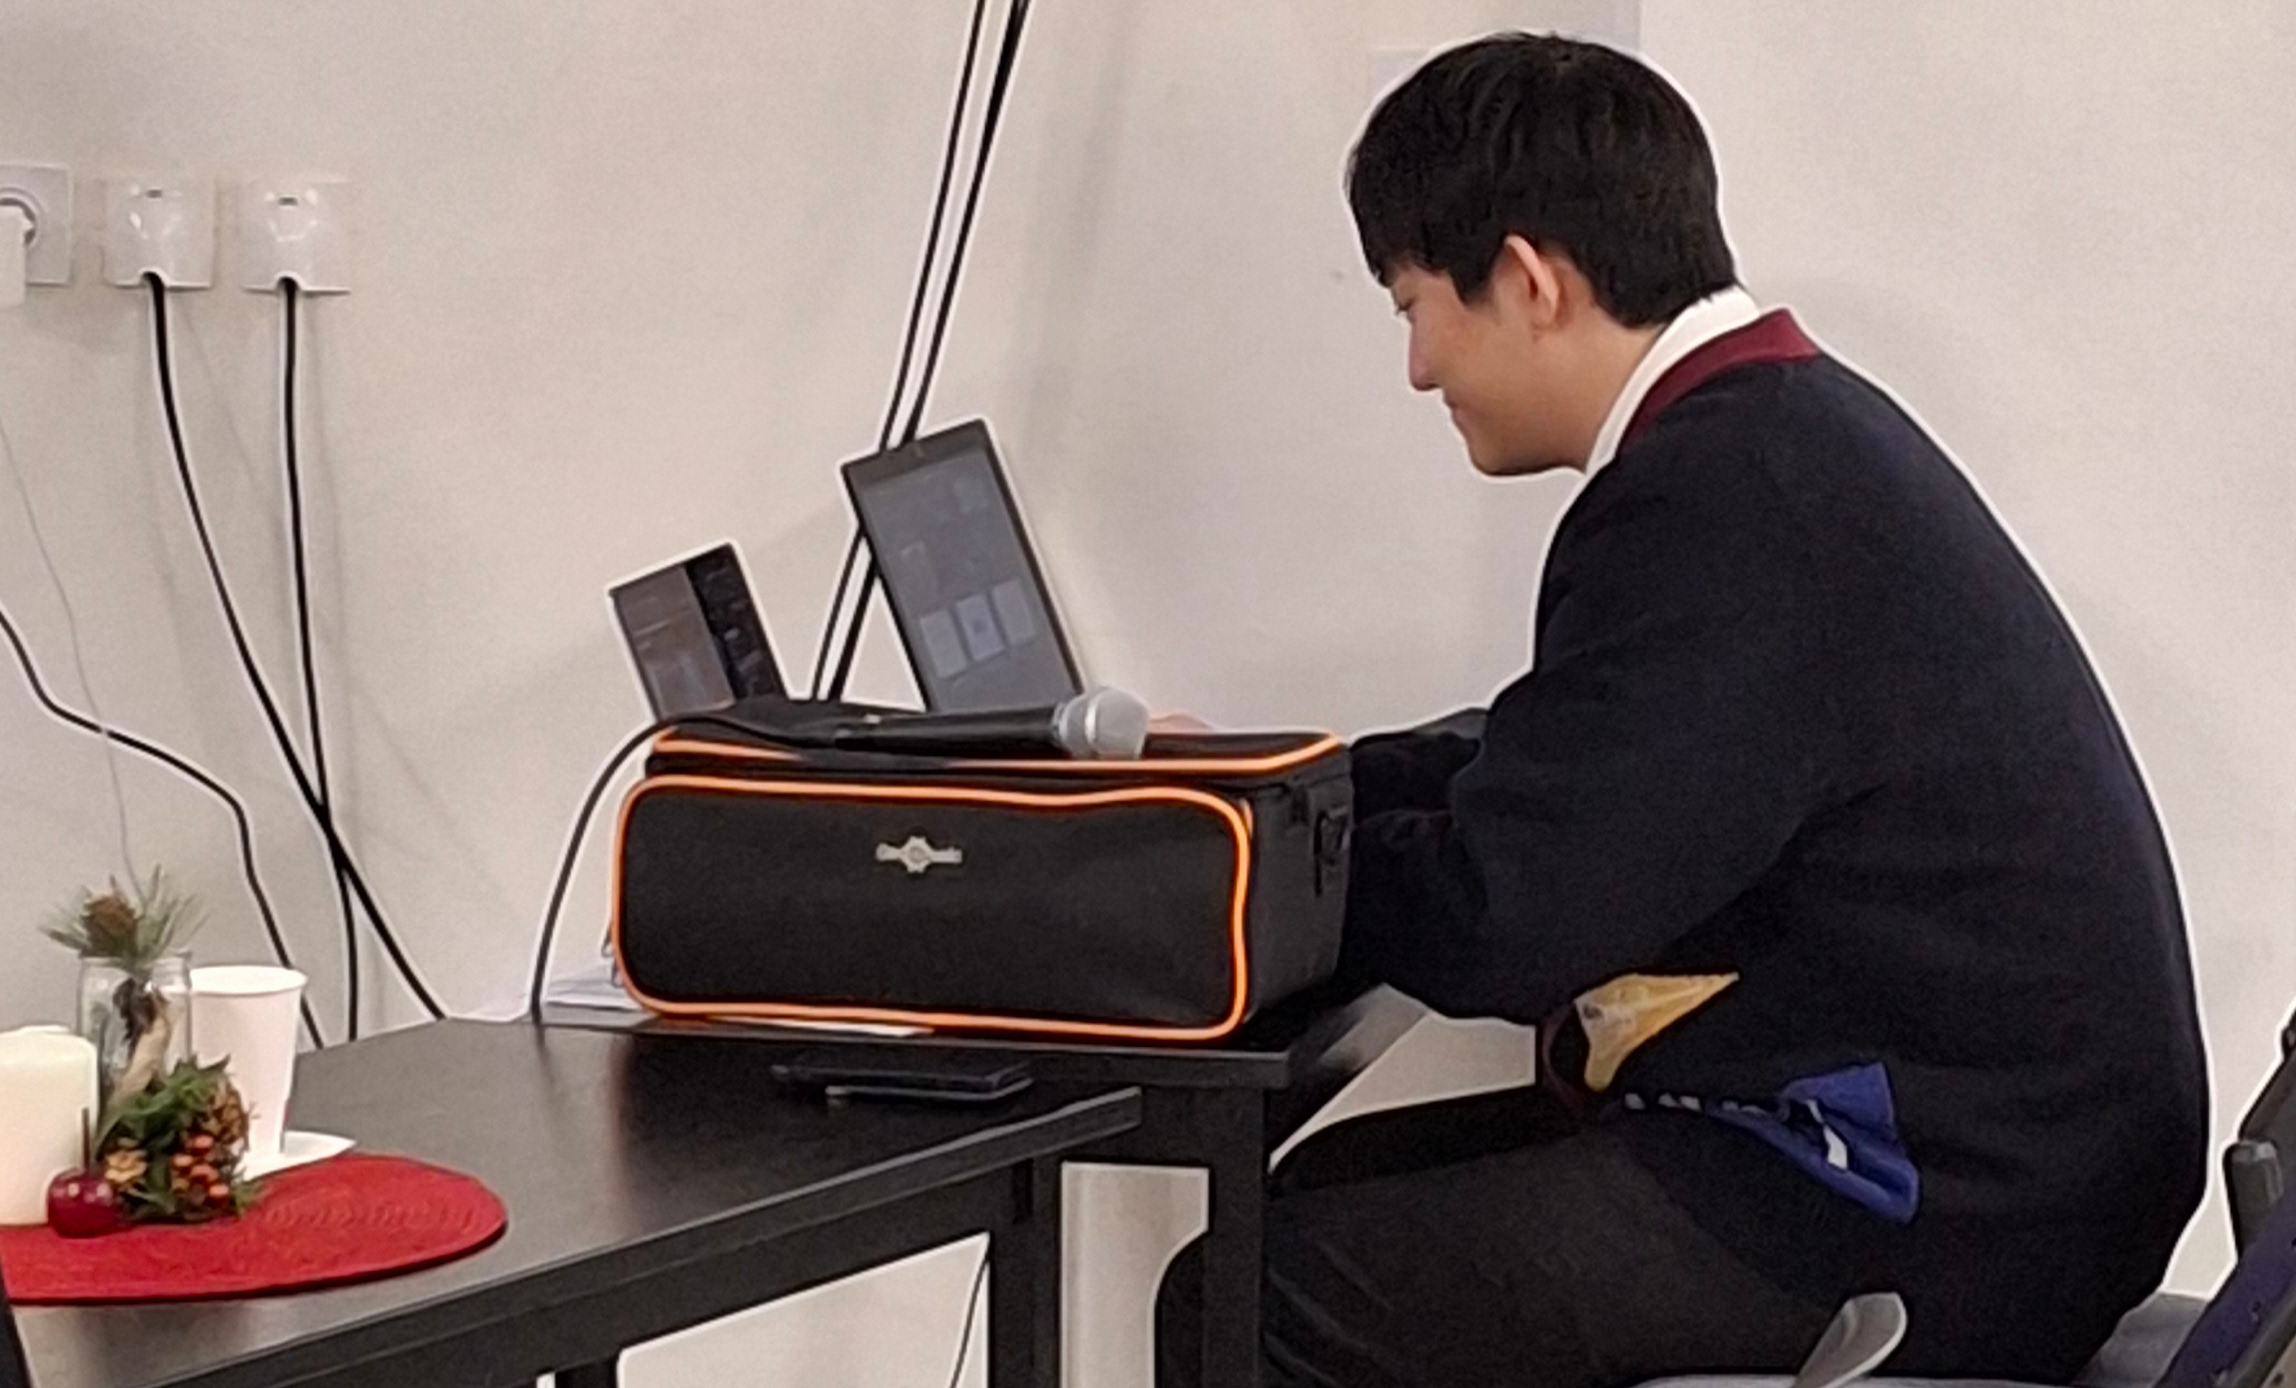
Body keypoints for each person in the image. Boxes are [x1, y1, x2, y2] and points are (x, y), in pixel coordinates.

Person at [1156, 32, 2207, 1388]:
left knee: (1251, 1299)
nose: (1418, 368)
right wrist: (1277, 787)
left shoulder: (1722, 497)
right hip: (2010, 1166)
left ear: (1528, 281)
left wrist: (1241, 855)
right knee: (1315, 1203)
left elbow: (1506, 917)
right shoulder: (1777, 436)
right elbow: (1567, 755)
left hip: (1948, 1213)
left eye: (1415, 307)